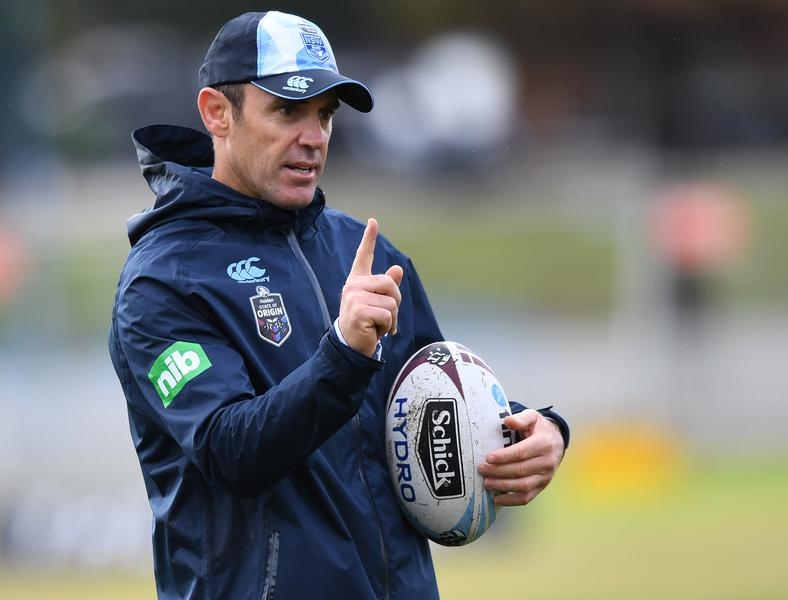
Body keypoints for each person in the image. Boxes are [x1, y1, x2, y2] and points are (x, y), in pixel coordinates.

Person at [108, 10, 570, 600]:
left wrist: (537, 433)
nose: (315, 136)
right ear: (217, 113)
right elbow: (230, 453)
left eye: (324, 114)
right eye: (287, 111)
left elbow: (432, 397)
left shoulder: (364, 252)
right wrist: (344, 353)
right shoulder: (164, 280)